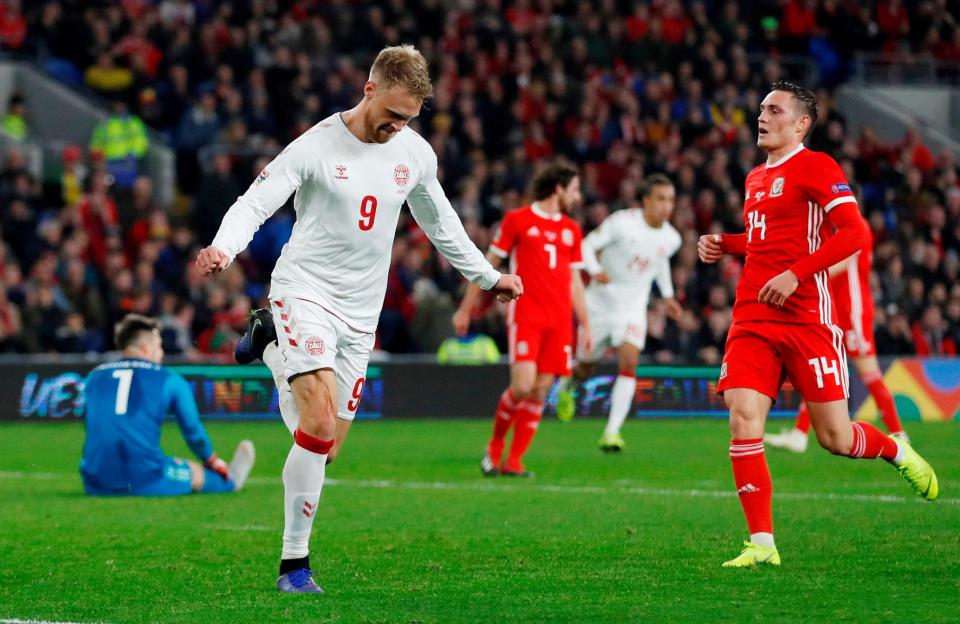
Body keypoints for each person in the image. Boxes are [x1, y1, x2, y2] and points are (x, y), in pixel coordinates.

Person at [195, 45, 523, 593]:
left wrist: (489, 278)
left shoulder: (414, 154)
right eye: (392, 114)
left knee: (326, 447)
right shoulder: (317, 146)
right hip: (305, 291)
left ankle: (269, 344)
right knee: (319, 423)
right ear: (369, 89)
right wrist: (223, 248)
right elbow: (257, 201)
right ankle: (294, 565)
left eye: (409, 119)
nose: (397, 127)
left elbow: (441, 223)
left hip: (360, 313)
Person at [697, 81, 938, 568]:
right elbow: (765, 241)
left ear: (801, 123)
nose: (761, 116)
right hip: (752, 317)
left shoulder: (817, 167)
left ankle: (897, 451)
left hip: (807, 319)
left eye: (774, 109)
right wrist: (727, 242)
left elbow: (854, 233)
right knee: (743, 417)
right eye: (761, 107)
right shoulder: (755, 178)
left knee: (835, 438)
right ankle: (761, 543)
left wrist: (796, 274)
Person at [452, 162, 589, 478]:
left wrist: (586, 325)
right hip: (527, 315)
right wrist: (465, 308)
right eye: (575, 190)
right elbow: (487, 266)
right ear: (559, 188)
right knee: (523, 385)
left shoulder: (572, 229)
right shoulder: (518, 220)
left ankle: (514, 462)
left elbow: (575, 282)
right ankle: (494, 449)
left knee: (541, 390)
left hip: (560, 322)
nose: (578, 197)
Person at [556, 174, 683, 451]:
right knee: (585, 365)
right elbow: (587, 244)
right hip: (599, 305)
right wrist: (594, 270)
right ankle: (568, 387)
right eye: (661, 199)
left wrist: (669, 295)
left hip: (632, 308)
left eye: (671, 200)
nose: (667, 206)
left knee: (629, 363)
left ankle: (611, 433)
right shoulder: (622, 223)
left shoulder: (671, 238)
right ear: (646, 201)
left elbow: (659, 261)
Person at [765, 215, 907, 452]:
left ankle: (899, 435)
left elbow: (836, 265)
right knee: (820, 371)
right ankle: (800, 434)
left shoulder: (856, 226)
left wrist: (797, 274)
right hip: (833, 308)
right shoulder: (839, 227)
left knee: (868, 371)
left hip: (853, 310)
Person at [80, 314, 255, 496]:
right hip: (145, 479)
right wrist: (211, 460)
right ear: (146, 348)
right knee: (195, 471)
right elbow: (194, 433)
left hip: (94, 482)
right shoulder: (168, 378)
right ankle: (232, 481)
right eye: (159, 346)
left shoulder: (93, 377)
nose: (161, 353)